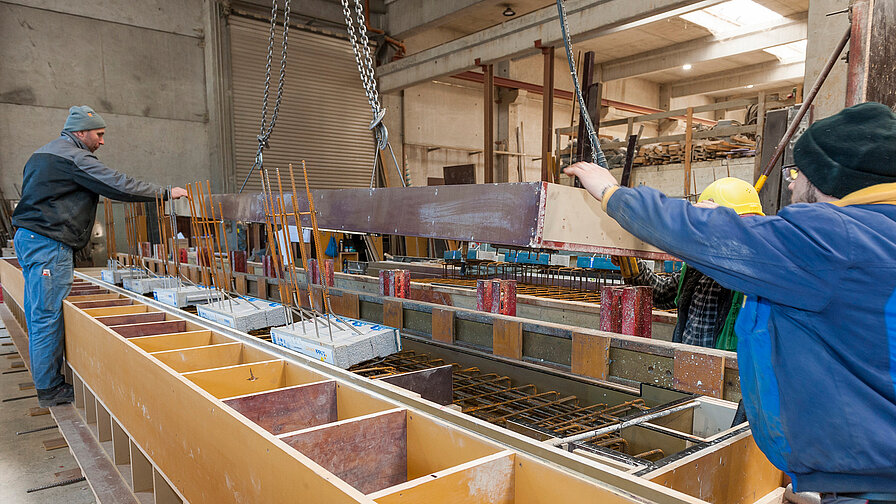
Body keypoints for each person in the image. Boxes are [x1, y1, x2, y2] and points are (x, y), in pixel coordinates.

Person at [563, 101, 896, 500]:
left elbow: (703, 235)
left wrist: (611, 192)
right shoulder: (874, 238)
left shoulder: (835, 239)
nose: (790, 185)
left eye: (798, 173)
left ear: (827, 177)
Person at [11, 106, 188, 408]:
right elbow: (117, 184)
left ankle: (46, 378)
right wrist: (165, 192)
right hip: (48, 245)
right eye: (99, 134)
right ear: (81, 132)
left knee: (38, 311)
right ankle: (50, 389)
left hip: (28, 239)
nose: (102, 141)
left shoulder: (41, 154)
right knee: (46, 316)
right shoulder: (75, 157)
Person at [619, 177, 764, 350]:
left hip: (727, 371)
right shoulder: (696, 266)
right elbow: (663, 294)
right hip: (687, 363)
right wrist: (633, 268)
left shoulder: (756, 272)